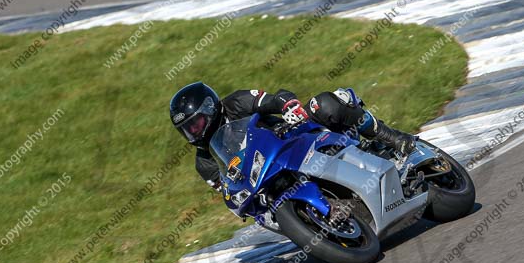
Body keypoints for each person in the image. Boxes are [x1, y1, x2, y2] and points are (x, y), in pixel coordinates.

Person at [169, 82, 416, 190]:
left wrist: (289, 107)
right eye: (188, 129)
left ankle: (393, 138)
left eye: (197, 123)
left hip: (294, 139)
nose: (196, 131)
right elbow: (226, 189)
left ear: (210, 109)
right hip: (268, 178)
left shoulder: (236, 103)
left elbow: (276, 98)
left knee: (324, 104)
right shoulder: (204, 161)